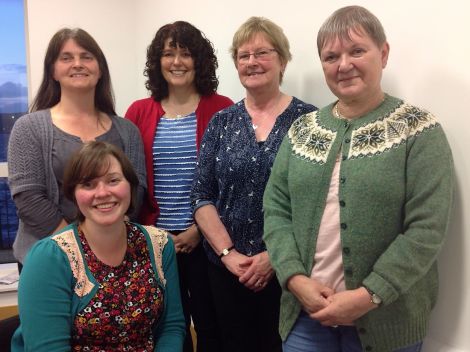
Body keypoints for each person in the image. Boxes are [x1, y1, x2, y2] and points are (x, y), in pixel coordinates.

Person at [263, 6, 454, 352]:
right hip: (307, 320)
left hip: (388, 325)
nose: (343, 64)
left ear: (383, 53)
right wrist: (294, 279)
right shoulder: (302, 130)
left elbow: (427, 229)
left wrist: (369, 295)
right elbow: (276, 209)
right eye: (331, 56)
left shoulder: (419, 130)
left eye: (357, 51)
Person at [191, 17, 317, 352]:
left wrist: (274, 257)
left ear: (282, 60)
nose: (252, 62)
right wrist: (228, 254)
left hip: (287, 271)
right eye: (243, 55)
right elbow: (202, 196)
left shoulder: (310, 122)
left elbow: (316, 202)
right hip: (225, 269)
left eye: (262, 52)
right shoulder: (222, 121)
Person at [11, 141, 185, 351]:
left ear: (130, 186)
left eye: (113, 180)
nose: (102, 193)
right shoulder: (49, 257)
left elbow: (171, 327)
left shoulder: (159, 245)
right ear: (73, 193)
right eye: (88, 184)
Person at [125, 21, 233, 352]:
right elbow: (130, 182)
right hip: (154, 243)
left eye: (185, 53)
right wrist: (154, 235)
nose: (176, 61)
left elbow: (229, 183)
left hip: (209, 243)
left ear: (198, 59)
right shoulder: (138, 111)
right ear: (157, 62)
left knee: (212, 325)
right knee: (166, 328)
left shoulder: (222, 108)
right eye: (168, 53)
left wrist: (198, 231)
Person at [7, 28, 146, 269]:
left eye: (87, 57)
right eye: (66, 58)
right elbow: (28, 197)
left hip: (113, 259)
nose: (78, 64)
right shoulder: (28, 128)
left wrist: (102, 247)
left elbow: (137, 190)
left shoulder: (127, 130)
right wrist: (80, 250)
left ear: (100, 69)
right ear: (53, 71)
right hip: (47, 260)